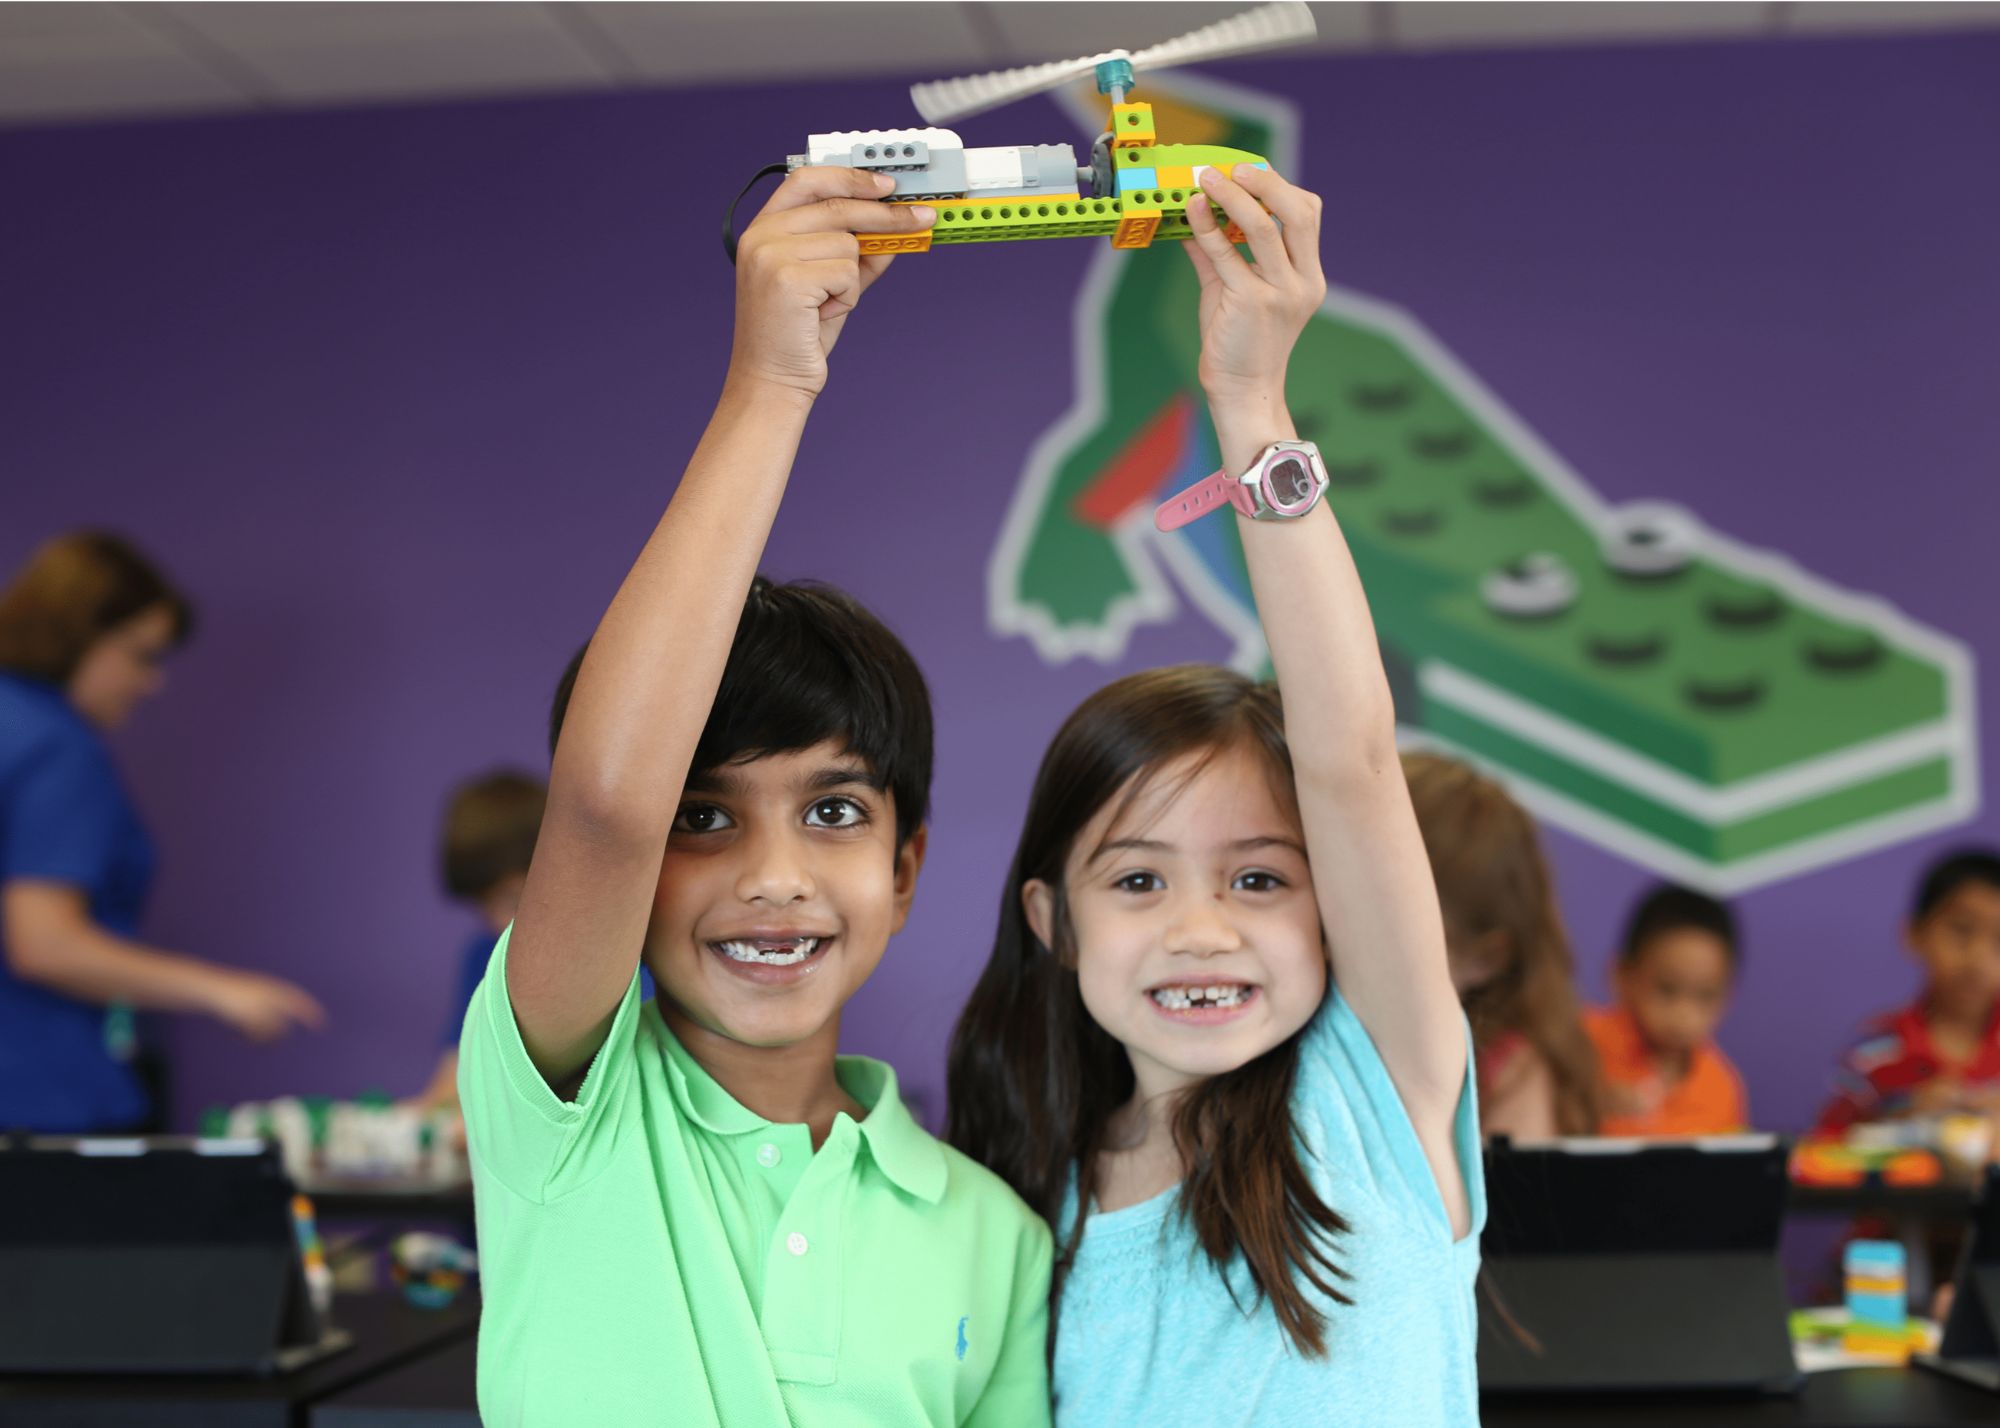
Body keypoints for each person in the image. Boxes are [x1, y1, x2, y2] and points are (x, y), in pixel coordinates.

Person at [455, 169, 1050, 1426]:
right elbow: (608, 800)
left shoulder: (994, 1239)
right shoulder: (562, 1108)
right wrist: (771, 385)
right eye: (703, 815)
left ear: (906, 867)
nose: (774, 876)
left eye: (832, 812)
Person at [947, 165, 1481, 1426]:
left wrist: (1248, 399)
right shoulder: (1036, 1204)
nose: (1202, 928)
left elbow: (1345, 758)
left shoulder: (1373, 1095)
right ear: (1050, 920)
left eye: (1258, 877)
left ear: (1325, 909)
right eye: (1137, 880)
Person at [0, 531, 325, 1133]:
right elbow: (44, 943)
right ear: (78, 633)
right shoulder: (58, 747)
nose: (151, 683)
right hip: (36, 1102)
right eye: (140, 655)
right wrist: (221, 991)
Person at [1403, 751, 1602, 1140]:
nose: (1357, 947)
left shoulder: (1514, 1075)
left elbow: (1507, 1201)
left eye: (1403, 935)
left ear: (1485, 959)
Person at [1815, 847, 2000, 1135]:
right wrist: (1902, 1119)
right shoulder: (1873, 1053)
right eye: (1961, 930)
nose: (1979, 959)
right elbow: (1827, 1148)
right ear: (1915, 934)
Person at [412, 770, 546, 1113]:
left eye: (513, 900)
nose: (500, 924)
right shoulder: (483, 954)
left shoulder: (619, 958)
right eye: (483, 906)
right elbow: (453, 1081)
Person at [1585, 883, 1748, 1136]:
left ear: (1728, 994)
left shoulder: (1721, 1086)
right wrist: (1588, 1103)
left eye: (1705, 996)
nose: (1684, 1014)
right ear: (1623, 977)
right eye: (1667, 990)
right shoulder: (1581, 1043)